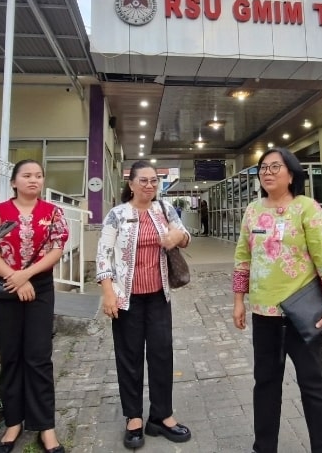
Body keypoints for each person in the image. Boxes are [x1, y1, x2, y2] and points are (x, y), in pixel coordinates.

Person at [232, 147, 322, 453]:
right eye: (263, 168)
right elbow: (243, 258)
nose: (267, 172)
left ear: (292, 174)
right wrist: (239, 300)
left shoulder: (306, 208)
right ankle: (264, 447)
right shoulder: (252, 210)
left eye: (275, 167)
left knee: (312, 383)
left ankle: (320, 448)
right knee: (265, 384)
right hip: (264, 314)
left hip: (303, 314)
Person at [96, 160, 192, 450]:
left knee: (162, 354)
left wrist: (178, 236)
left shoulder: (164, 209)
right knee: (130, 357)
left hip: (159, 296)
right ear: (131, 183)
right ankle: (134, 418)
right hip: (127, 299)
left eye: (154, 181)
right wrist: (108, 291)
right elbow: (103, 254)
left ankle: (161, 416)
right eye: (143, 180)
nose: (150, 186)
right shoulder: (117, 214)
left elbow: (185, 236)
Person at [0, 159, 69, 453]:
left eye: (38, 176)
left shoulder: (53, 212)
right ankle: (13, 422)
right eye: (27, 175)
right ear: (14, 181)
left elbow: (57, 249)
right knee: (11, 356)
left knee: (39, 356)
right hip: (5, 287)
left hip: (39, 288)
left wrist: (26, 276)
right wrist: (14, 278)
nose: (34, 180)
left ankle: (46, 426)